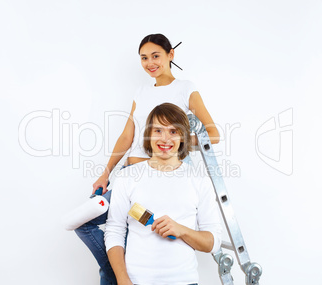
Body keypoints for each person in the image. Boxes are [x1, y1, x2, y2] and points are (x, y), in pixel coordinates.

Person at [74, 33, 220, 284]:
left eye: (156, 56)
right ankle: (118, 274)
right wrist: (106, 172)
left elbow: (213, 134)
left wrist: (174, 145)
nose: (150, 63)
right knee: (91, 223)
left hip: (167, 172)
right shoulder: (141, 92)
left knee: (146, 234)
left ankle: (118, 275)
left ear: (171, 55)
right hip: (131, 176)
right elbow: (126, 136)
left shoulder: (185, 88)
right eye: (144, 58)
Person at [105, 103, 223, 285]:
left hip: (185, 281)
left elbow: (212, 243)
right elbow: (115, 231)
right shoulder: (127, 176)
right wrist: (122, 279)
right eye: (158, 130)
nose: (165, 139)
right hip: (136, 281)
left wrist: (182, 230)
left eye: (173, 131)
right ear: (148, 135)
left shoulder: (198, 179)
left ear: (184, 137)